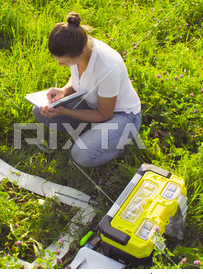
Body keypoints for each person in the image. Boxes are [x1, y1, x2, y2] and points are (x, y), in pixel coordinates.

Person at [33, 12, 141, 167]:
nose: (60, 65)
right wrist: (64, 91)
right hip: (92, 105)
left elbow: (104, 114)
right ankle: (92, 132)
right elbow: (78, 81)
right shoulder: (78, 45)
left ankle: (118, 147)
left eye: (65, 62)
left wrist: (65, 111)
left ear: (81, 52)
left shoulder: (107, 68)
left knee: (81, 155)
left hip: (122, 116)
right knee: (39, 111)